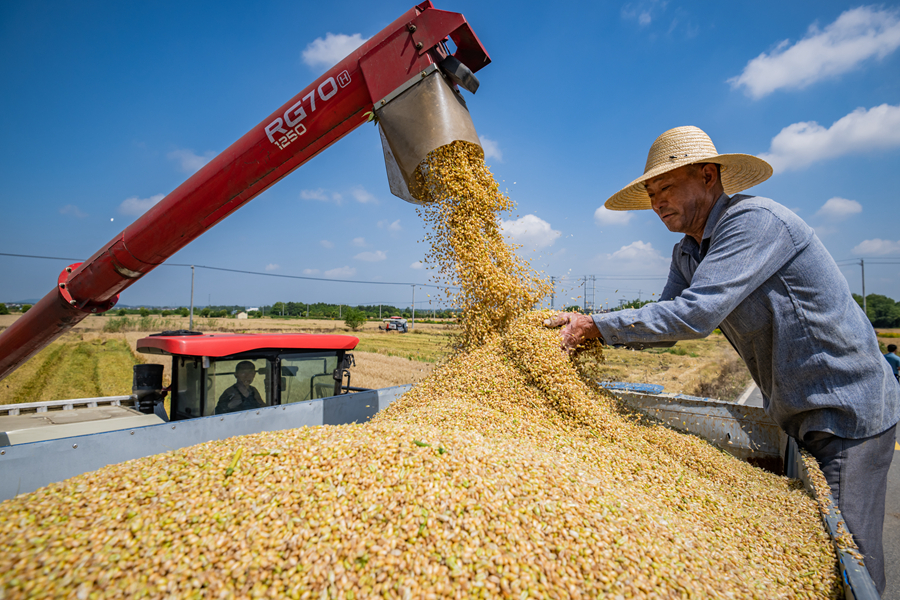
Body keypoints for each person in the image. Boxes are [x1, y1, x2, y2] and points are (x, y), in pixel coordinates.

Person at [545, 126, 900, 594]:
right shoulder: (687, 252)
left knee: (849, 564)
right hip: (796, 408)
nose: (657, 203)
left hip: (843, 408)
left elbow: (695, 315)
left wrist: (594, 325)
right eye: (651, 194)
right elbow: (668, 326)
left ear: (708, 176)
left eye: (666, 188)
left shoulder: (752, 223)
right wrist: (586, 333)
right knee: (820, 549)